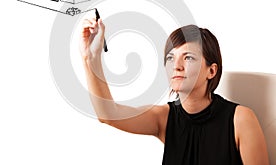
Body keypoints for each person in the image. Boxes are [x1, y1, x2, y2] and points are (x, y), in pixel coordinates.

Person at [79, 18, 269, 165]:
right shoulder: (163, 117)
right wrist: (91, 58)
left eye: (188, 58)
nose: (176, 66)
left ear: (211, 71)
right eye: (170, 58)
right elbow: (108, 114)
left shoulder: (240, 118)